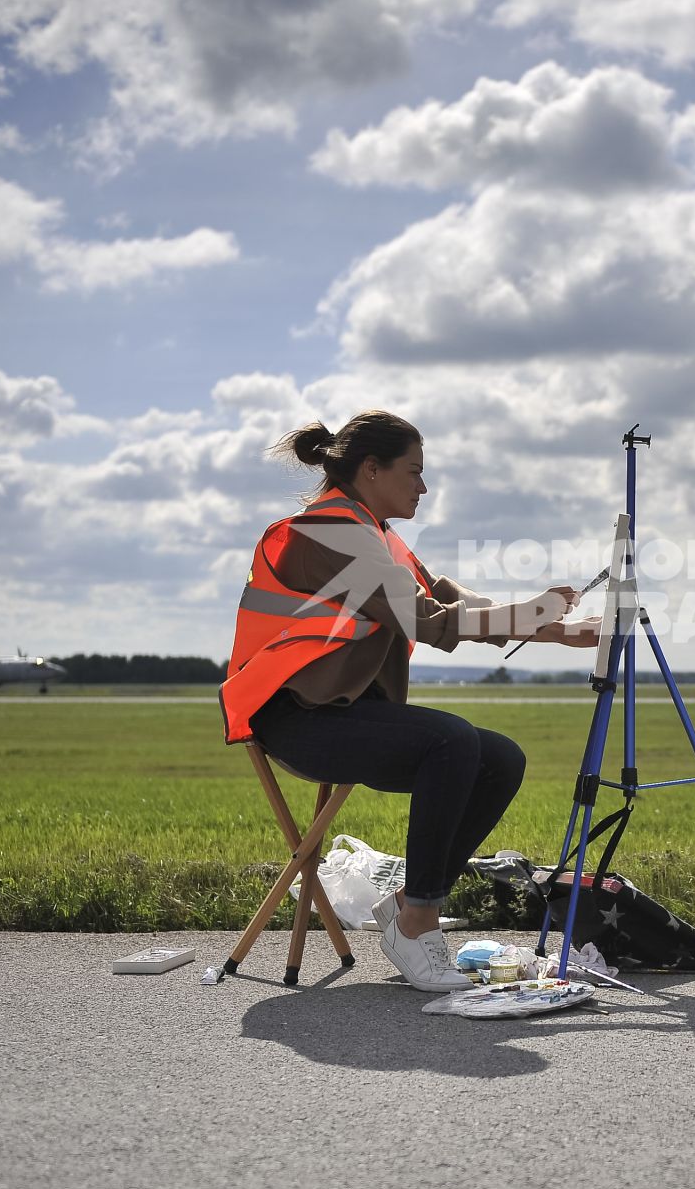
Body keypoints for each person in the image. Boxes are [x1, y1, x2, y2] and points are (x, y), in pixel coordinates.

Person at [219, 410, 598, 991]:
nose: (424, 486)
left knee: (501, 759)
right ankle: (418, 921)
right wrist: (537, 615)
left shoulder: (377, 536)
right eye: (414, 471)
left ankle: (407, 906)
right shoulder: (329, 532)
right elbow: (424, 619)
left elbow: (451, 598)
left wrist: (558, 628)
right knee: (450, 740)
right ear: (371, 469)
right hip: (296, 720)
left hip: (346, 715)